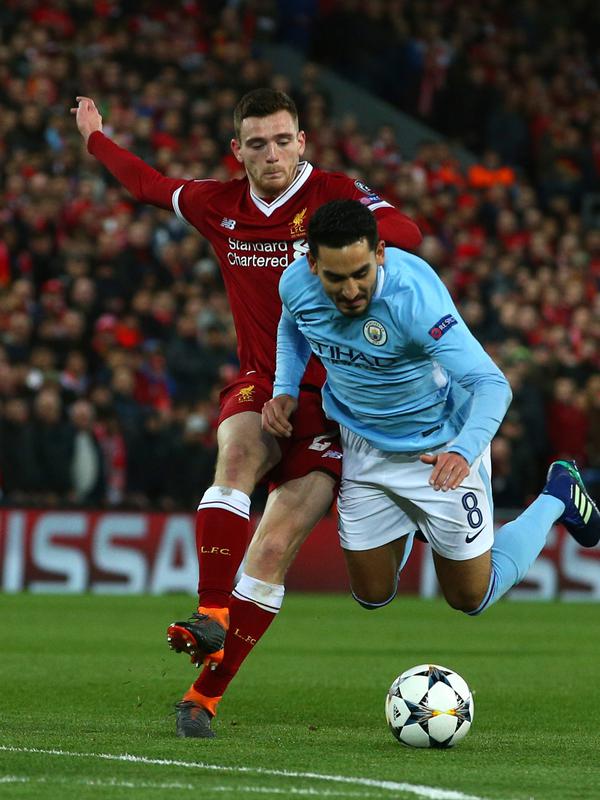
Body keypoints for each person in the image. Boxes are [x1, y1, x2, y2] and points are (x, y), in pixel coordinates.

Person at [71, 89, 422, 738]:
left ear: (302, 142)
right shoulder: (219, 205)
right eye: (257, 144)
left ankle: (202, 698)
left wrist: (337, 243)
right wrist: (95, 138)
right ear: (238, 150)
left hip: (338, 406)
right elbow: (148, 185)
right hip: (264, 382)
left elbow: (407, 233)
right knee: (235, 455)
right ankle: (211, 611)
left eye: (283, 140)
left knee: (276, 545)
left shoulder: (334, 195)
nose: (272, 154)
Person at [263, 199, 600, 618]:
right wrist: (285, 388)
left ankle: (558, 495)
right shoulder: (295, 284)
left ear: (379, 253)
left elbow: (492, 384)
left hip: (439, 448)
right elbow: (293, 324)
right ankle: (414, 519)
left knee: (470, 598)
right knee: (372, 594)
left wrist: (463, 451)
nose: (350, 291)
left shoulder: (415, 300)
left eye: (360, 274)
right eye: (336, 278)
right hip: (363, 443)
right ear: (312, 264)